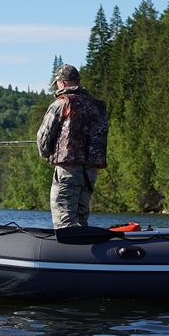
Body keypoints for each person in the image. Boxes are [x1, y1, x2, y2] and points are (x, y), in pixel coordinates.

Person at [36, 64, 108, 228]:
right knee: (82, 221)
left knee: (65, 223)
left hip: (67, 171)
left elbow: (43, 137)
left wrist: (46, 154)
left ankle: (67, 251)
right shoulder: (96, 106)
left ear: (62, 82)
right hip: (89, 172)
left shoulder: (61, 104)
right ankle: (83, 251)